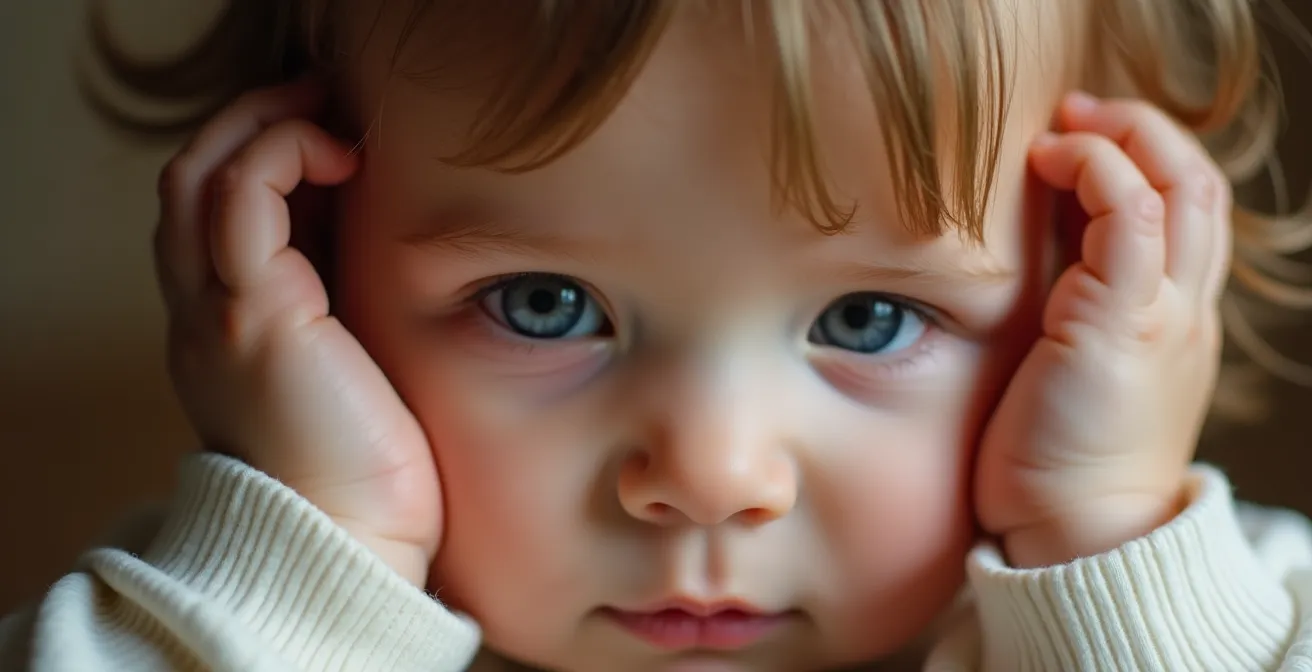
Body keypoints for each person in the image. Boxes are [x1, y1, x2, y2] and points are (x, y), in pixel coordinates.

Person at [5, 0, 1312, 669]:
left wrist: (1100, 534)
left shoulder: (1239, 627)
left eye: (869, 317)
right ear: (313, 276)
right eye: (543, 305)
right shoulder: (220, 634)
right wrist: (314, 552)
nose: (709, 473)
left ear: (1095, 288)